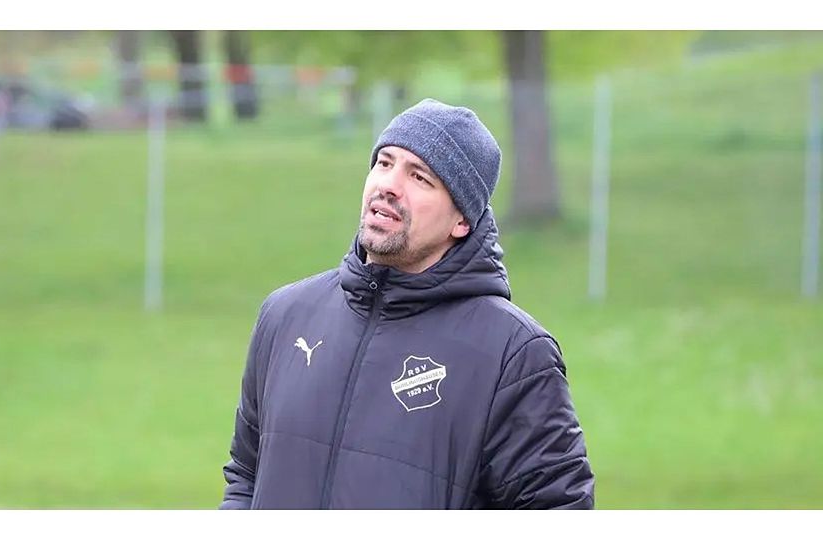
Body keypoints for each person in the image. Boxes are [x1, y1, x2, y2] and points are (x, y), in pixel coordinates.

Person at [220, 98, 595, 509]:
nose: (389, 185)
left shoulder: (514, 356)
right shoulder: (286, 316)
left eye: (419, 177)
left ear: (462, 221)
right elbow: (246, 475)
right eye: (384, 163)